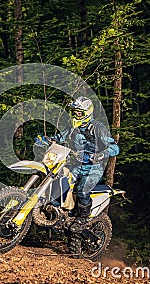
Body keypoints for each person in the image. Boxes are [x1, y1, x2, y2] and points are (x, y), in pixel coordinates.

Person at [37, 96, 119, 232]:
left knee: (82, 189)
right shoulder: (72, 127)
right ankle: (59, 214)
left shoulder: (97, 128)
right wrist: (47, 140)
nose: (76, 115)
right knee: (59, 181)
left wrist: (101, 154)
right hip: (76, 165)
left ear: (87, 112)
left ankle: (83, 218)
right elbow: (59, 138)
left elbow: (115, 148)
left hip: (94, 167)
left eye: (79, 112)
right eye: (74, 112)